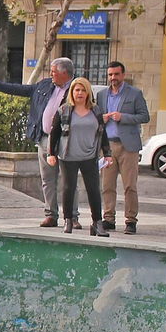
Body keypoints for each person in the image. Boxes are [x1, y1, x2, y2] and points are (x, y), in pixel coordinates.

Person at [0, 57, 76, 227]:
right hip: (45, 138)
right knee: (47, 179)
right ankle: (51, 214)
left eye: (53, 71)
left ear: (64, 73)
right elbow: (21, 89)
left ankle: (72, 217)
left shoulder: (78, 88)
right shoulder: (45, 85)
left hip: (68, 140)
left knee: (70, 180)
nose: (51, 74)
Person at [47, 76, 112, 236]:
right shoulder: (64, 110)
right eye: (77, 90)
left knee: (93, 189)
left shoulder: (96, 111)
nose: (80, 93)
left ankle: (97, 223)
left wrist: (108, 154)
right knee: (68, 188)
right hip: (68, 155)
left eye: (83, 90)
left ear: (88, 92)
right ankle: (68, 220)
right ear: (72, 92)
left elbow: (102, 134)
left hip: (90, 156)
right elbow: (54, 133)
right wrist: (51, 153)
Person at [95, 62, 149, 235]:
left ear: (123, 75)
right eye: (110, 75)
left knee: (129, 186)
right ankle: (108, 218)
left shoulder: (135, 94)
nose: (113, 78)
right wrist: (101, 118)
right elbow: (95, 117)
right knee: (107, 185)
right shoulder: (102, 95)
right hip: (108, 146)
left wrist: (122, 117)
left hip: (128, 146)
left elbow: (144, 116)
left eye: (116, 74)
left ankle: (131, 220)